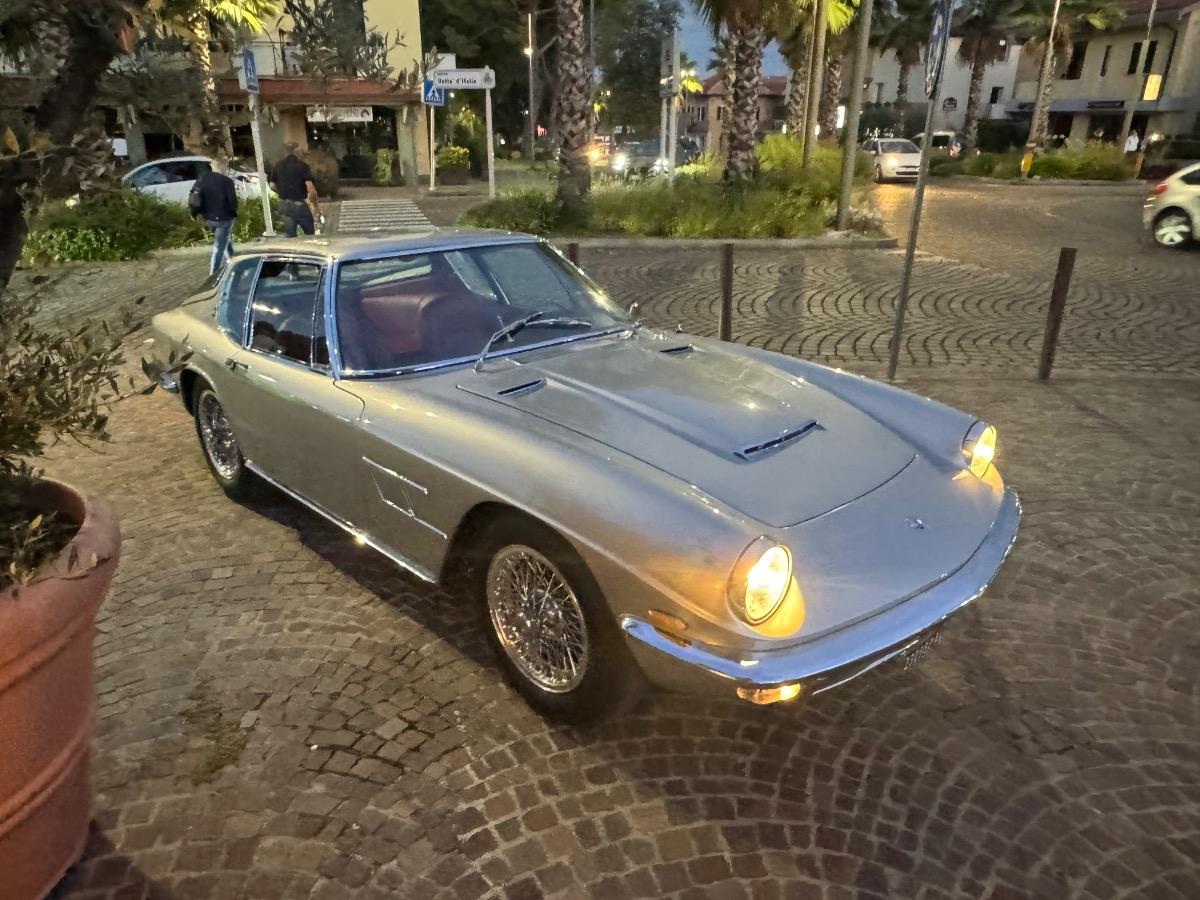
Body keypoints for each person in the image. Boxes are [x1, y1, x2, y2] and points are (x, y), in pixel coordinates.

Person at [192, 157, 238, 275]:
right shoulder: (227, 181)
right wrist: (233, 214)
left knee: (223, 239)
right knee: (219, 247)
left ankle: (232, 259)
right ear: (223, 167)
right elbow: (233, 202)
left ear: (213, 166)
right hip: (224, 218)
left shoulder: (202, 179)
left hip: (208, 218)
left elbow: (194, 197)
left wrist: (194, 213)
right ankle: (214, 274)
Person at [270, 142, 322, 237]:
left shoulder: (278, 166)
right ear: (296, 151)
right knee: (310, 234)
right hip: (299, 205)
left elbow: (272, 186)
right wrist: (316, 208)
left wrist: (283, 191)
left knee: (291, 237)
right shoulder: (303, 166)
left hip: (284, 205)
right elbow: (311, 189)